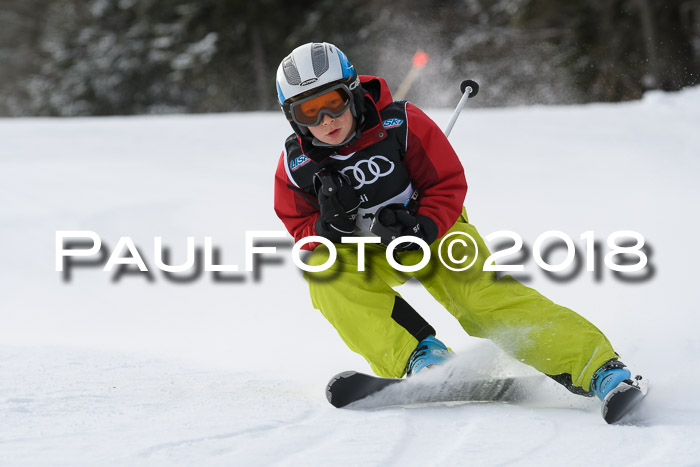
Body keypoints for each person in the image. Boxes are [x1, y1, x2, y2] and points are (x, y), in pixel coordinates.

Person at [273, 42, 642, 412]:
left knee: (482, 298)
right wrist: (326, 227)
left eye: (333, 102)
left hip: (436, 234)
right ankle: (422, 358)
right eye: (308, 111)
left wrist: (424, 225)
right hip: (367, 250)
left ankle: (599, 369)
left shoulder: (401, 125)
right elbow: (298, 224)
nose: (325, 119)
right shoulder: (296, 166)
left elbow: (446, 183)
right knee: (325, 274)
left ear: (352, 92)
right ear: (293, 118)